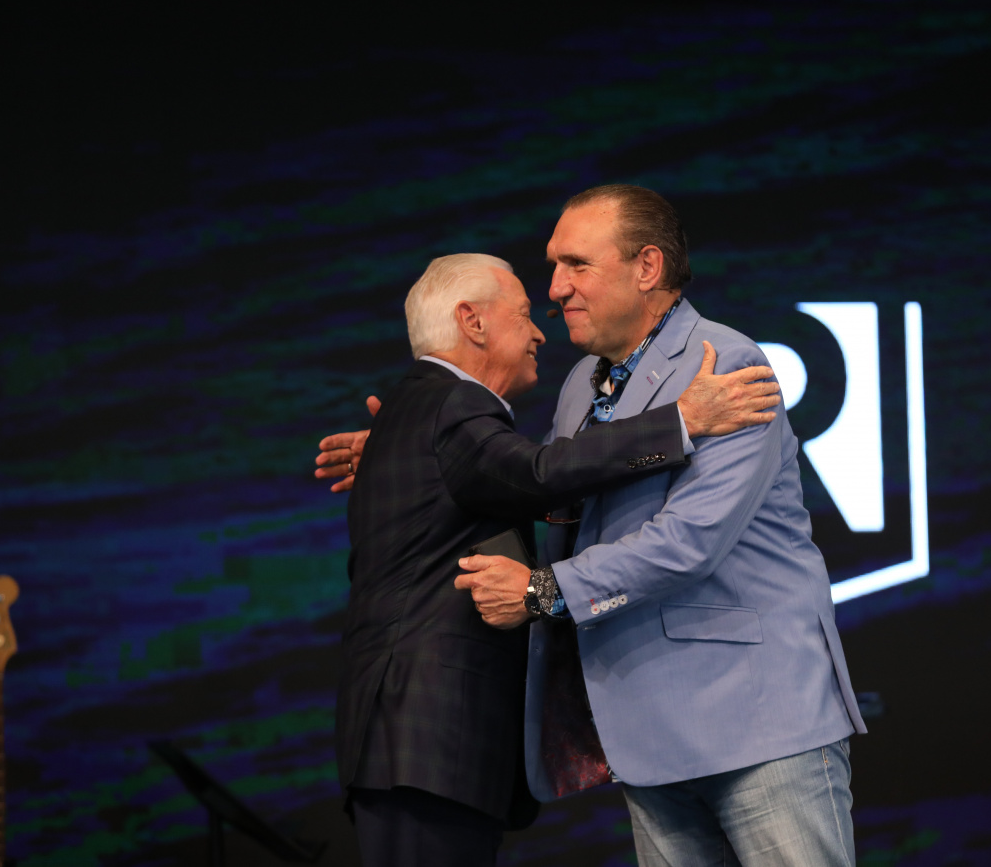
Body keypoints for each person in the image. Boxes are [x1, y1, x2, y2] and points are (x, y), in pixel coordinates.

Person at [317, 252, 779, 867]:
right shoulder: (450, 403)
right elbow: (537, 474)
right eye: (524, 314)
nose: (540, 332)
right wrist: (679, 422)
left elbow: (500, 484)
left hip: (415, 745)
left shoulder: (423, 411)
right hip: (425, 739)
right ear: (473, 322)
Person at [454, 186, 868, 867]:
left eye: (577, 265)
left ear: (647, 267)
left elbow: (688, 543)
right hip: (645, 732)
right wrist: (412, 456)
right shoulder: (582, 384)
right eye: (554, 266)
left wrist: (540, 591)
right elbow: (547, 491)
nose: (555, 288)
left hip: (756, 723)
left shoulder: (725, 364)